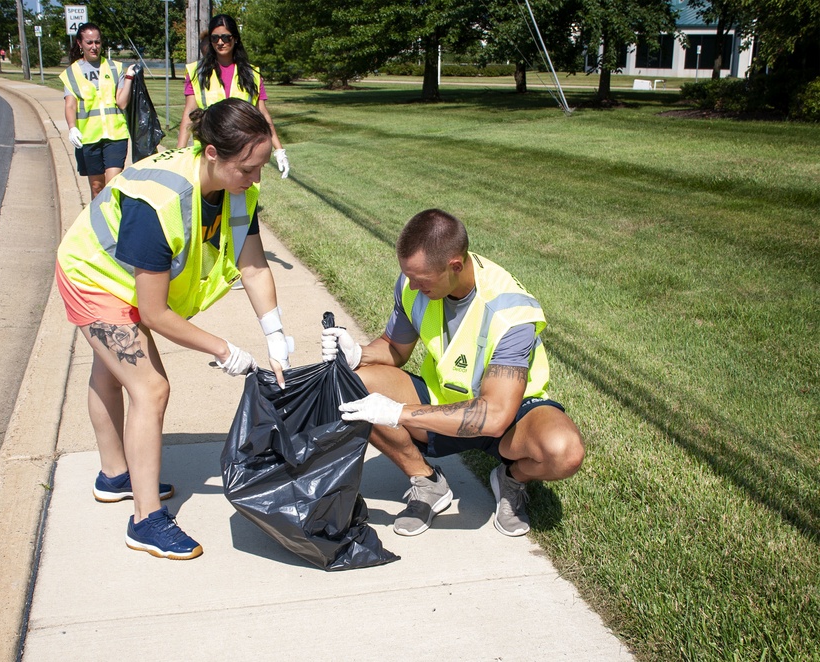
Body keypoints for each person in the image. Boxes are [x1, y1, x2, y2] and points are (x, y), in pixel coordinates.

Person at [55, 98, 294, 560]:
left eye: (260, 166)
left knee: (111, 371)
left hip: (121, 276)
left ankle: (114, 476)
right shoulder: (159, 204)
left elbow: (253, 263)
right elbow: (156, 314)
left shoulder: (236, 186)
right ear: (211, 154)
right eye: (248, 168)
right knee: (151, 388)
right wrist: (224, 349)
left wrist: (275, 334)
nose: (256, 178)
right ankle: (145, 520)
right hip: (92, 274)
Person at [323, 209, 584, 538]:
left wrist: (398, 413)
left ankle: (512, 479)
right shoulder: (413, 282)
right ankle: (426, 481)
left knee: (565, 451)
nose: (413, 287)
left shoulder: (511, 312)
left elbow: (495, 417)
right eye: (409, 277)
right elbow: (395, 347)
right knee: (353, 383)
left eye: (422, 280)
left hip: (511, 414)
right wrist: (359, 353)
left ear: (455, 266)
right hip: (444, 402)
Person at [176, 14, 289, 179]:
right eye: (215, 38)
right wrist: (180, 152)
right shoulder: (196, 73)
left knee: (242, 203)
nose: (220, 42)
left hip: (244, 154)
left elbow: (263, 114)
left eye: (225, 37)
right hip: (210, 154)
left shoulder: (252, 75)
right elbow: (189, 112)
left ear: (235, 38)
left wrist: (279, 149)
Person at [60, 22, 139, 200]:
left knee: (112, 186)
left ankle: (113, 224)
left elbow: (122, 102)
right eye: (89, 43)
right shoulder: (72, 73)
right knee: (97, 187)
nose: (94, 47)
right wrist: (72, 127)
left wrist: (128, 78)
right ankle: (97, 223)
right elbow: (70, 105)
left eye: (97, 42)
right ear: (80, 44)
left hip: (115, 135)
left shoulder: (114, 68)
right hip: (89, 137)